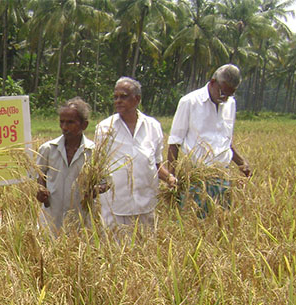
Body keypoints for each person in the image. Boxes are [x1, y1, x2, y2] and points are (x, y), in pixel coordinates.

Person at [166, 63, 250, 216]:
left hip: (222, 176)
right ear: (212, 83)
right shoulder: (189, 102)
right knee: (194, 222)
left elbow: (225, 140)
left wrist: (241, 163)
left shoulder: (230, 104)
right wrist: (171, 177)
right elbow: (174, 143)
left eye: (230, 95)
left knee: (222, 222)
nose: (225, 99)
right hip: (197, 177)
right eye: (223, 93)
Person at [95, 77, 176, 232]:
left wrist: (170, 178)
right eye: (116, 97)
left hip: (146, 205)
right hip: (115, 206)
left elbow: (156, 164)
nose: (118, 101)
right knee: (116, 252)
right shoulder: (105, 128)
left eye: (123, 96)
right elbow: (98, 167)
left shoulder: (153, 126)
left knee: (145, 251)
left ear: (137, 99)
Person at [35, 97, 95, 233]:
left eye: (70, 122)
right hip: (51, 217)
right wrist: (40, 189)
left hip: (80, 219)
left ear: (84, 125)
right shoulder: (48, 149)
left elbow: (106, 181)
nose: (64, 127)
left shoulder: (93, 152)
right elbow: (38, 174)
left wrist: (96, 189)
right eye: (61, 122)